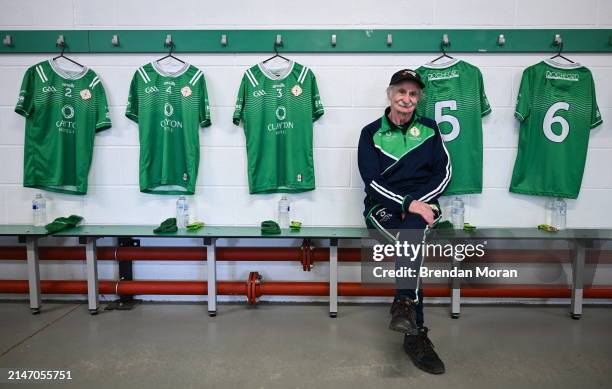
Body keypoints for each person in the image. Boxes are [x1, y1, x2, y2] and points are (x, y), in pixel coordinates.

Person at [357, 69, 451, 375]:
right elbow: (371, 182)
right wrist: (406, 203)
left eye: (413, 94)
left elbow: (444, 174)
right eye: (401, 92)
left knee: (411, 235)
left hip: (421, 209)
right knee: (411, 242)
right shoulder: (370, 132)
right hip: (381, 208)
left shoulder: (430, 129)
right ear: (389, 94)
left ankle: (405, 307)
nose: (406, 99)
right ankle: (413, 329)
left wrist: (417, 206)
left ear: (418, 98)